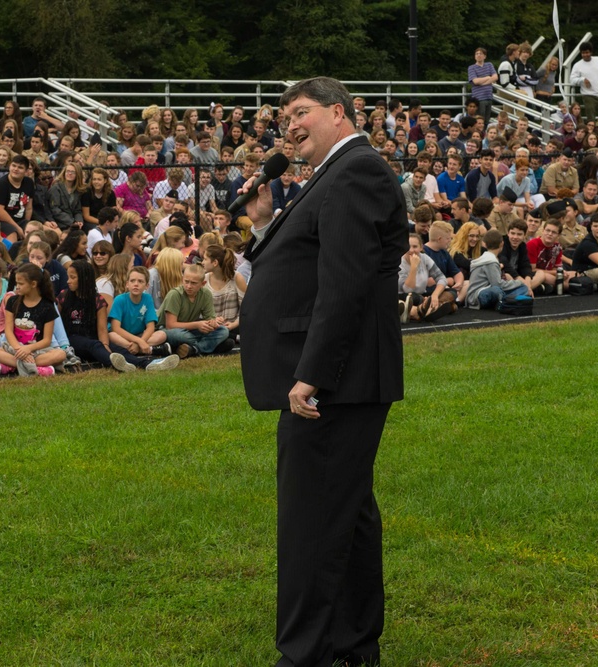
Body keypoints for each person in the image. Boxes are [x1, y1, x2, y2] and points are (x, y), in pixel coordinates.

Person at [237, 78, 406, 667]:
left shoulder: (355, 171)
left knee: (312, 519)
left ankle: (304, 654)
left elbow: (345, 285)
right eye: (285, 116)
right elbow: (302, 266)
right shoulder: (331, 176)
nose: (290, 125)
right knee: (347, 513)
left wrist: (312, 374)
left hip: (336, 379)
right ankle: (354, 645)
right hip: (341, 376)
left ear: (338, 112)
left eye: (301, 112)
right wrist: (261, 223)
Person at [0, 263, 66, 376]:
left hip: (37, 350)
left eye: (21, 283)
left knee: (61, 354)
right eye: (17, 283)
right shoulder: (12, 301)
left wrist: (28, 349)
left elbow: (46, 340)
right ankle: (37, 368)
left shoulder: (48, 306)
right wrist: (19, 349)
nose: (17, 286)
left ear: (33, 284)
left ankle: (13, 366)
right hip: (14, 349)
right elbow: (8, 331)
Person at [465, 229, 533, 309]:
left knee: (522, 288)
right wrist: (518, 282)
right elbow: (497, 284)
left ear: (485, 244)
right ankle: (505, 301)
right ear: (502, 244)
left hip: (477, 294)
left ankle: (504, 300)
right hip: (479, 295)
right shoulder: (490, 261)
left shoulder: (485, 258)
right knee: (498, 290)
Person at [570, 42, 598, 124]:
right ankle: (591, 136)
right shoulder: (577, 65)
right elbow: (572, 80)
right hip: (588, 95)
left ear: (591, 52)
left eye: (587, 52)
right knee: (591, 119)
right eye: (583, 53)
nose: (585, 54)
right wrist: (582, 79)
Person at [468, 47, 498, 122]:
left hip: (489, 96)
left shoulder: (489, 65)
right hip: (479, 98)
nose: (478, 55)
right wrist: (488, 77)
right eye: (476, 54)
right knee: (479, 119)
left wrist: (483, 82)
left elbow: (495, 77)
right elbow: (475, 81)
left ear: (484, 56)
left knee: (487, 120)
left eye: (480, 54)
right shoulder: (472, 68)